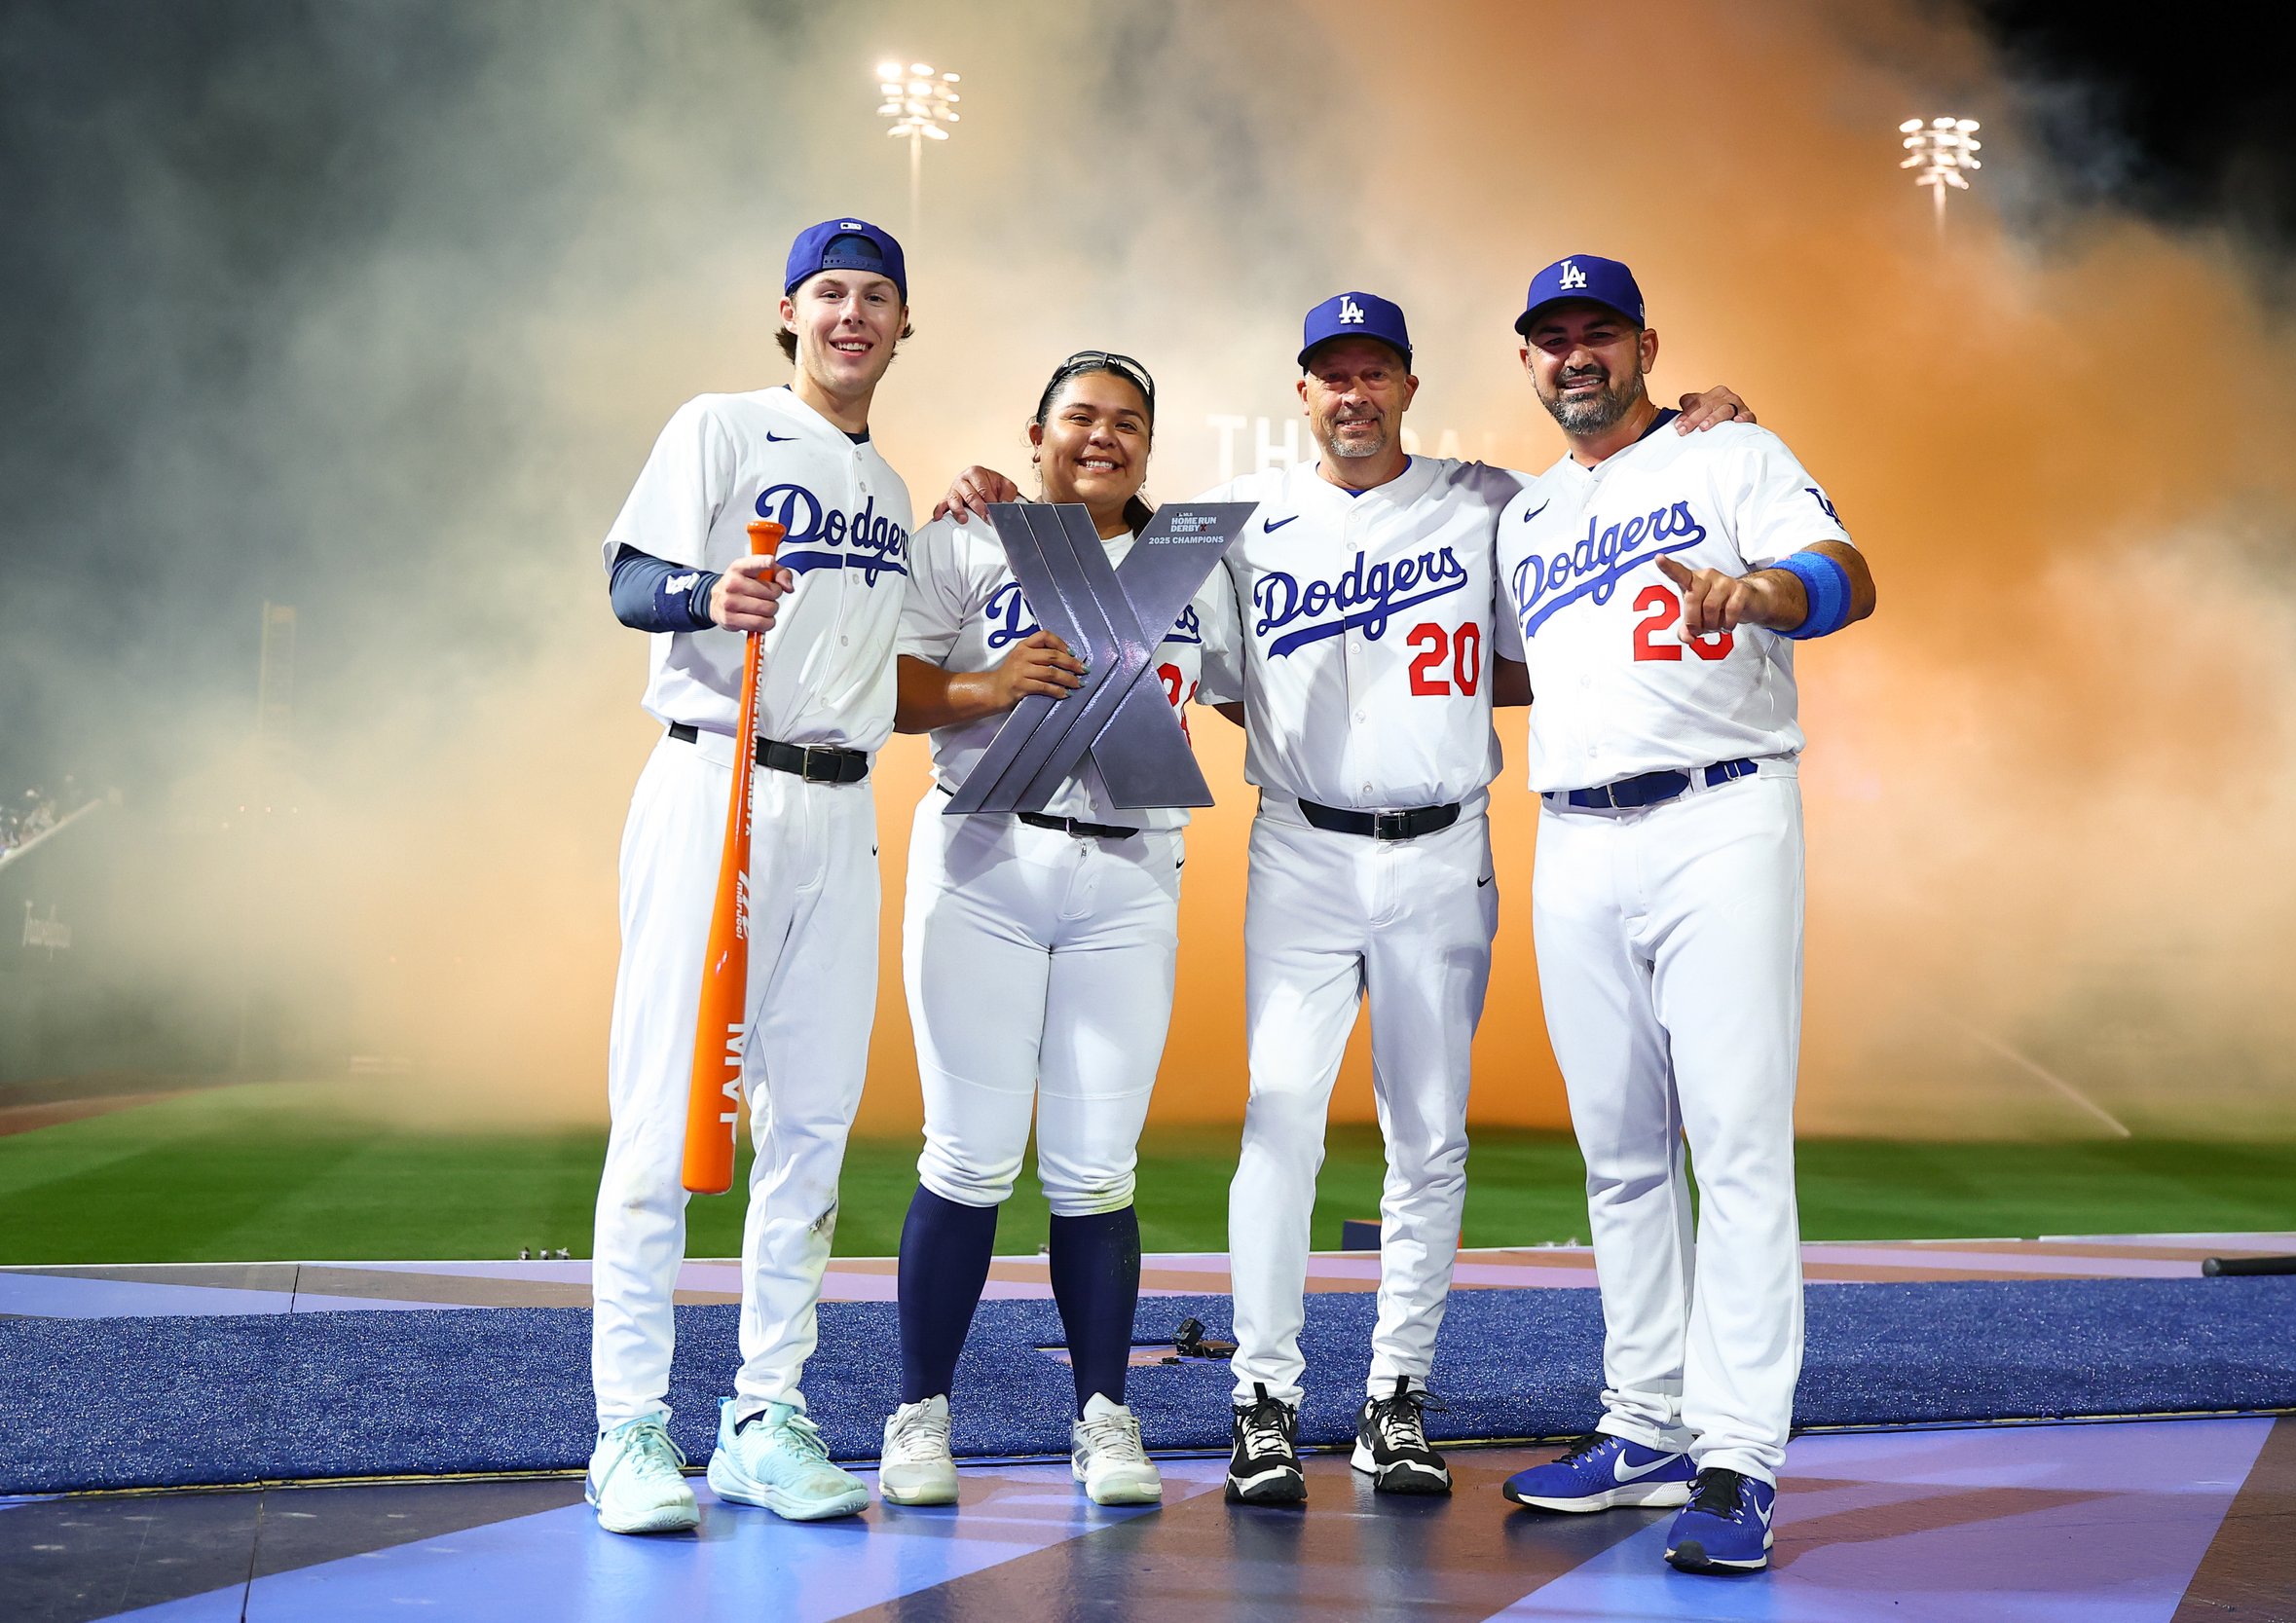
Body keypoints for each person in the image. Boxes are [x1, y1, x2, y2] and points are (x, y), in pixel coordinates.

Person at [939, 296, 1752, 1506]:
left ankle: (1394, 1400)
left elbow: (1607, 513)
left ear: (1409, 388)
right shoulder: (1247, 527)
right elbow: (1158, 631)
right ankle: (1261, 1398)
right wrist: (1003, 499)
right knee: (1281, 1123)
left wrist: (1698, 429)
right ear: (1302, 393)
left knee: (1428, 1136)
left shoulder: (1493, 500)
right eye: (1332, 374)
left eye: (1375, 372)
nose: (1354, 393)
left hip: (1441, 848)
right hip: (1303, 849)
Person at [1491, 254, 1875, 1574]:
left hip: (1720, 813)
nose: (1576, 354)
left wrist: (1770, 590)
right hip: (1574, 833)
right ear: (1528, 362)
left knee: (1735, 1139)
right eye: (1553, 338)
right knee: (1618, 1151)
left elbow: (1848, 571)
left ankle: (1737, 1456)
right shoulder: (1528, 514)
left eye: (1600, 332)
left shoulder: (1731, 450)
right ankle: (1646, 1423)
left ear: (1647, 345)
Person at [586, 218, 917, 1535]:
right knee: (668, 1110)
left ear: (904, 324)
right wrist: (698, 594)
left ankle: (762, 1413)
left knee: (816, 1121)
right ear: (788, 311)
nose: (851, 314)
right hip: (713, 775)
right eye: (830, 292)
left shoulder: (890, 489)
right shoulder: (720, 425)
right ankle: (626, 1426)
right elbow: (623, 581)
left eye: (876, 295)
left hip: (840, 806)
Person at [882, 350, 1238, 1508]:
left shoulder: (1197, 557)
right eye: (1080, 417)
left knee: (1095, 1170)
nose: (1103, 436)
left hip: (1129, 872)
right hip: (986, 857)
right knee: (969, 1154)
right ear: (1032, 430)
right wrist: (986, 685)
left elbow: (1250, 685)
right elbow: (881, 688)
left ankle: (1102, 1412)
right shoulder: (970, 538)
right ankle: (920, 1412)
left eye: (1128, 421)